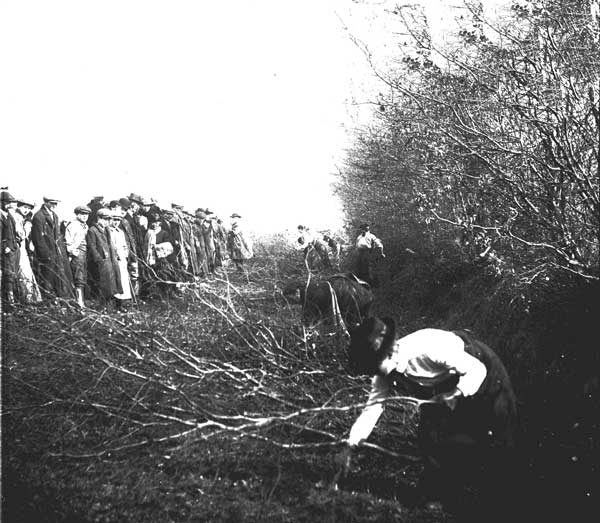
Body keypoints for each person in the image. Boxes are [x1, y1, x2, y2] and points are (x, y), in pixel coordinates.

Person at [337, 316, 517, 511]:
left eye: (375, 365)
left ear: (390, 352)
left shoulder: (428, 351)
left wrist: (455, 394)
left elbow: (476, 370)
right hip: (442, 388)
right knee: (430, 437)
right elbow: (373, 408)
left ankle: (499, 499)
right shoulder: (383, 372)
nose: (377, 374)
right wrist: (350, 445)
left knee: (497, 432)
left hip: (481, 370)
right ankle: (439, 497)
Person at [31, 196, 75, 299]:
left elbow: (57, 235)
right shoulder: (39, 216)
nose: (54, 206)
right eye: (52, 203)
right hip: (47, 253)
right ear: (46, 202)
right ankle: (48, 301)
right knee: (47, 278)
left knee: (59, 278)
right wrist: (46, 254)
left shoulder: (55, 215)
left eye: (56, 203)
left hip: (56, 253)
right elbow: (38, 239)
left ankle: (60, 300)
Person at [86, 207, 121, 306]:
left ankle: (110, 304)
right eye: (105, 219)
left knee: (112, 285)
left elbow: (110, 245)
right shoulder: (92, 230)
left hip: (109, 261)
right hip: (101, 263)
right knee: (102, 286)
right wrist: (99, 260)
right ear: (99, 218)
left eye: (108, 220)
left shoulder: (107, 230)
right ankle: (102, 305)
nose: (107, 222)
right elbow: (92, 247)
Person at [14, 198, 42, 304]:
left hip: (23, 248)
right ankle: (25, 298)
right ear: (19, 206)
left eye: (28, 208)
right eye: (24, 207)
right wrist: (27, 226)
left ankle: (30, 298)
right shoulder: (16, 217)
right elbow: (21, 234)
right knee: (22, 271)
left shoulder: (24, 218)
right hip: (18, 247)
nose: (26, 210)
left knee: (26, 272)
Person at [64, 205, 91, 307]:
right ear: (77, 214)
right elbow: (68, 241)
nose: (85, 217)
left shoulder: (85, 226)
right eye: (82, 214)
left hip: (84, 254)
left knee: (83, 276)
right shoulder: (73, 225)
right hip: (77, 254)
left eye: (86, 215)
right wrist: (72, 251)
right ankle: (79, 302)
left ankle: (81, 300)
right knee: (78, 277)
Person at [108, 209, 133, 309]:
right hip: (113, 259)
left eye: (118, 220)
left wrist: (125, 255)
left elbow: (124, 245)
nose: (116, 222)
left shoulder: (120, 232)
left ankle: (122, 302)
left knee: (123, 280)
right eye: (114, 220)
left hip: (122, 259)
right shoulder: (108, 231)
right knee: (114, 280)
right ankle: (114, 302)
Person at [1, 191, 21, 306]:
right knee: (8, 275)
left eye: (11, 202)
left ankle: (13, 300)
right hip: (6, 251)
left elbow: (14, 232)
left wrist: (16, 243)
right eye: (7, 202)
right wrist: (5, 247)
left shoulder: (9, 216)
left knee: (13, 274)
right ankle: (9, 302)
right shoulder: (1, 216)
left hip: (13, 249)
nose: (9, 205)